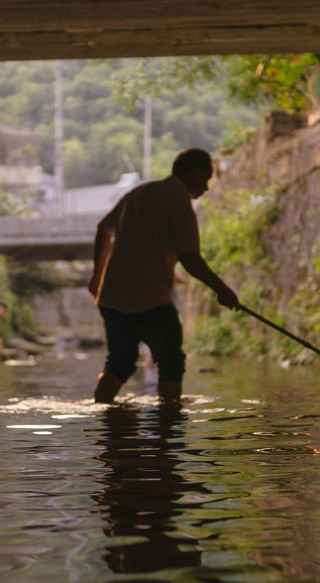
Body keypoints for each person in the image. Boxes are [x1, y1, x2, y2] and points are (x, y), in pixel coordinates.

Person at [87, 148, 240, 404]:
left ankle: (103, 418)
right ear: (194, 172)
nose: (207, 187)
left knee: (120, 362)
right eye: (206, 178)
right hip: (149, 297)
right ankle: (168, 435)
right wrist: (221, 289)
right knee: (171, 362)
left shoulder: (140, 192)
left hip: (111, 298)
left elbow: (104, 229)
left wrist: (97, 275)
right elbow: (190, 257)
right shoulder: (178, 201)